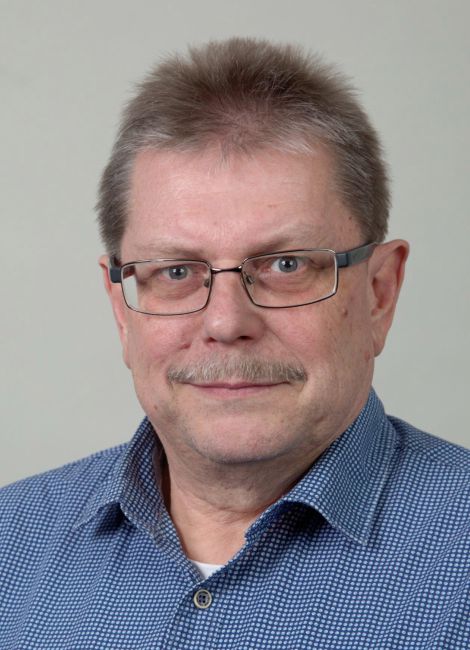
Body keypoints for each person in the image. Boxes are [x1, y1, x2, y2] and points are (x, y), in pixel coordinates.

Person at [1, 37, 468, 649]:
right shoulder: (11, 543)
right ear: (121, 308)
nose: (225, 322)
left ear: (380, 293)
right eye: (175, 271)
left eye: (286, 265)